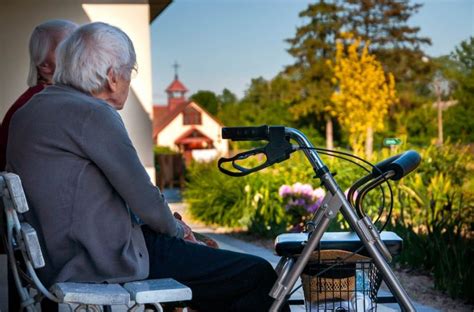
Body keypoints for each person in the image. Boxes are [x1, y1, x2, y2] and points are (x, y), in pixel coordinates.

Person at [7, 22, 287, 311]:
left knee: (212, 267)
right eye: (130, 71)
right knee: (258, 275)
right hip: (100, 261)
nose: (129, 79)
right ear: (113, 77)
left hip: (57, 259)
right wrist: (180, 232)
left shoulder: (30, 111)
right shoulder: (92, 114)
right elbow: (145, 200)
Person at [0, 19, 77, 170]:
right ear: (44, 65)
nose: (79, 55)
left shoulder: (52, 98)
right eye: (68, 49)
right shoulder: (41, 105)